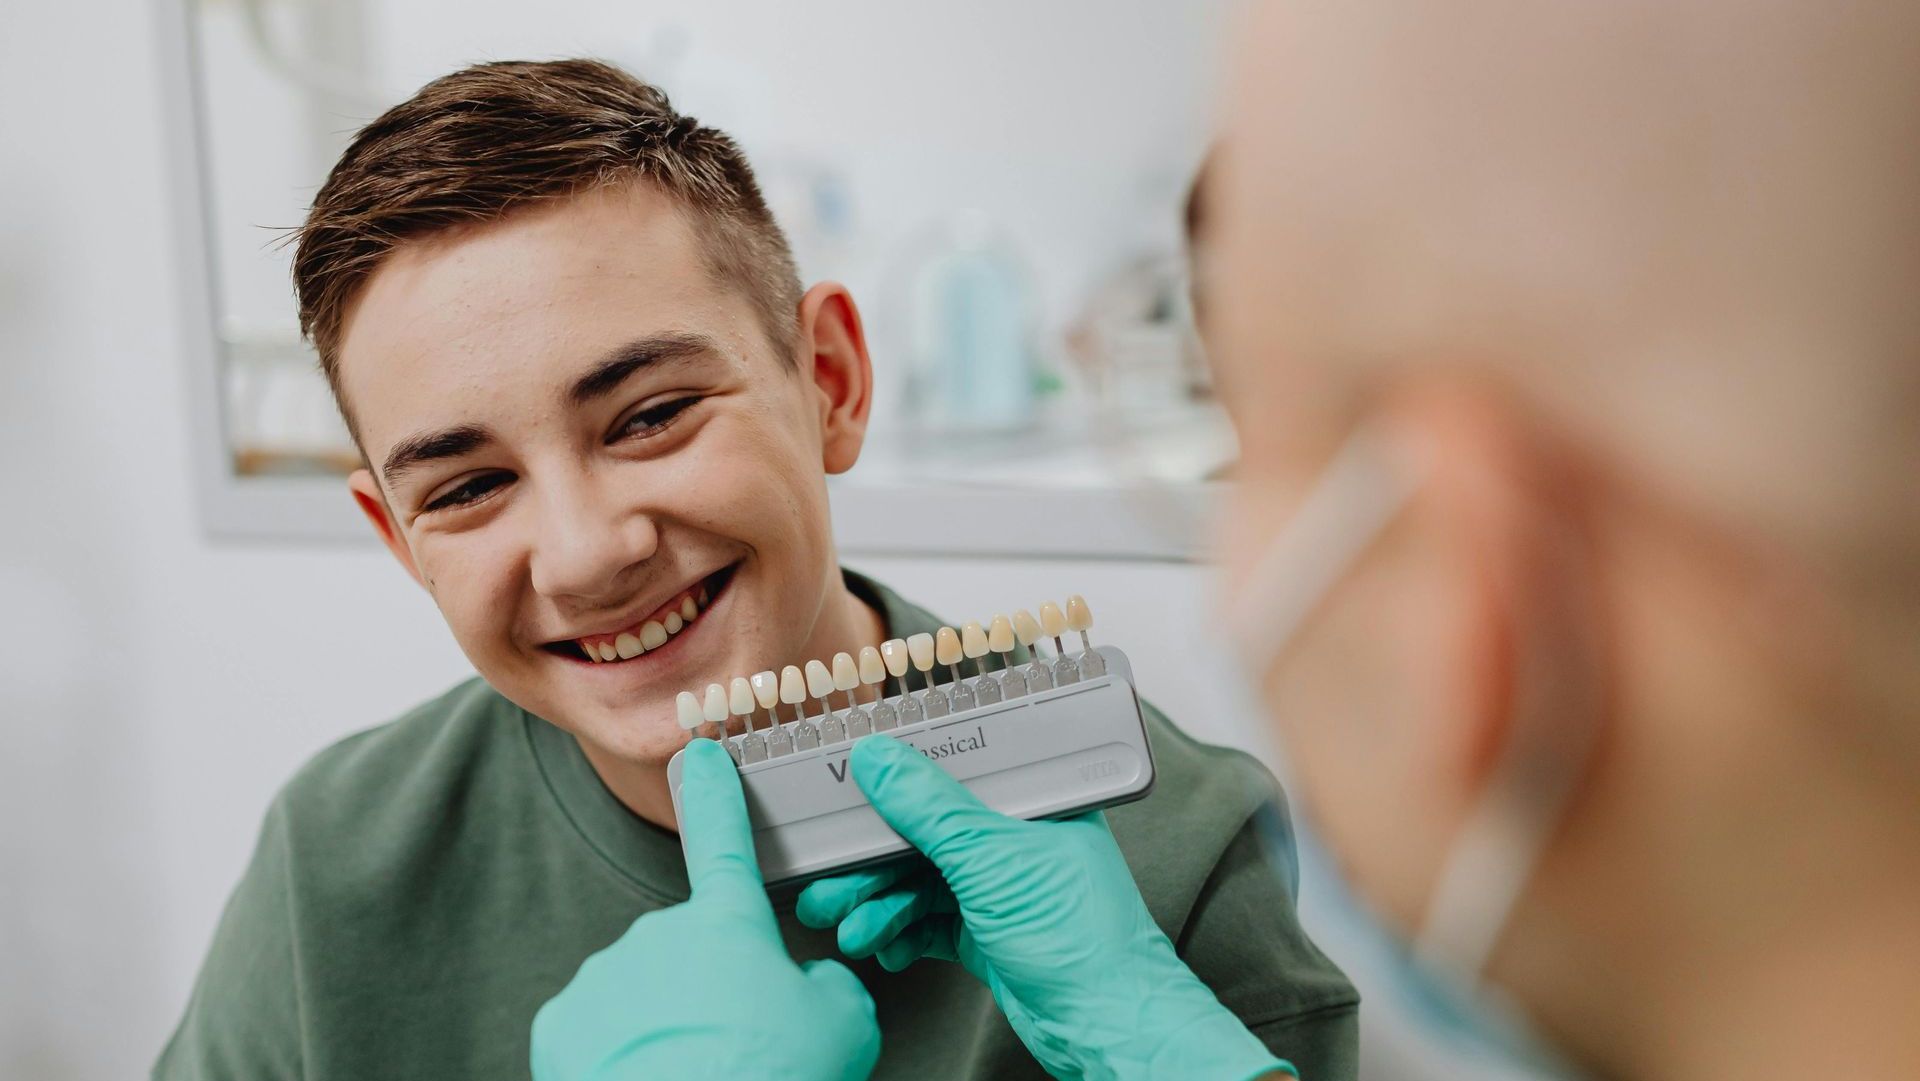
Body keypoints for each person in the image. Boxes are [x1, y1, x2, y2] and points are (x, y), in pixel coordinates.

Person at [533, 1, 1920, 1078]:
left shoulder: (1195, 841)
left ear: (1472, 621)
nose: (586, 547)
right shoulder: (334, 849)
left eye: (1245, 428)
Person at [152, 59, 1361, 1081]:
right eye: (466, 488)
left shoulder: (1171, 858)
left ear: (828, 380)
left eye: (650, 414)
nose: (584, 555)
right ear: (398, 538)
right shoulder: (334, 866)